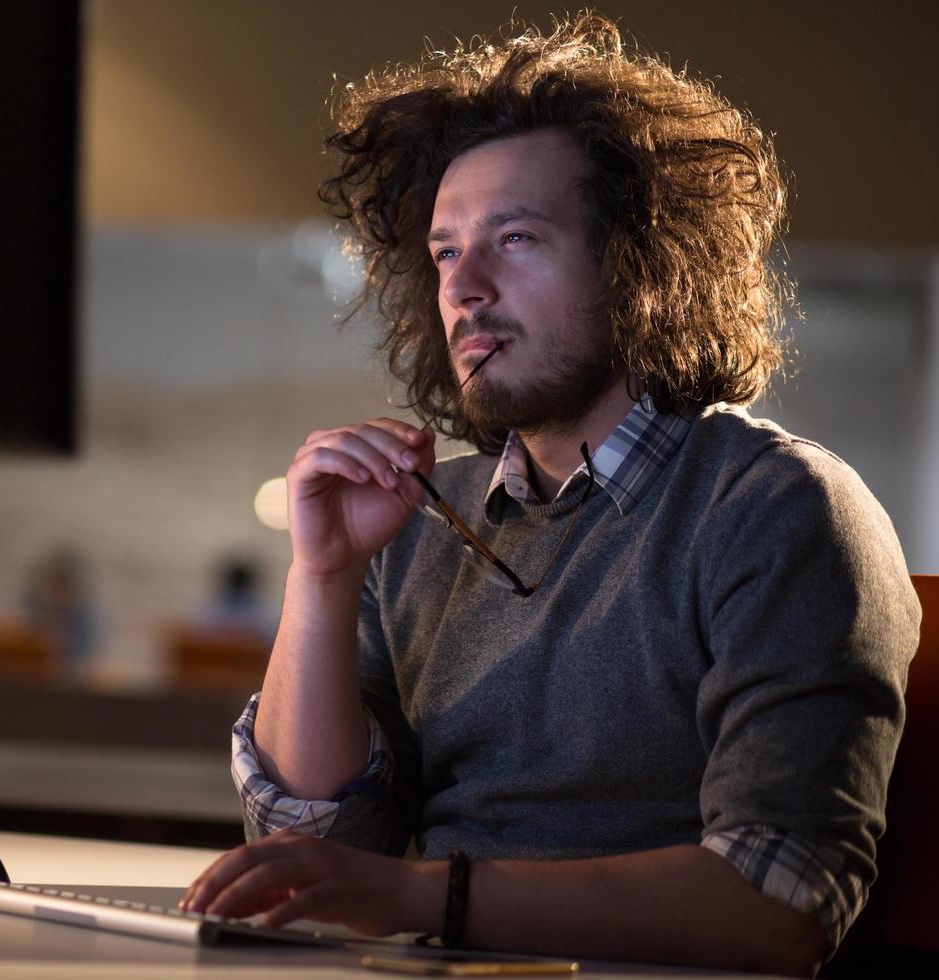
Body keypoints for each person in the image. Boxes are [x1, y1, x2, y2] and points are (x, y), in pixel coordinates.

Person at [180, 13, 920, 976]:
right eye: (445, 253)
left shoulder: (779, 508)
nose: (465, 289)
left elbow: (777, 906)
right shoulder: (412, 526)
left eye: (515, 239)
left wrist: (419, 896)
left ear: (640, 264)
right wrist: (323, 577)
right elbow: (329, 841)